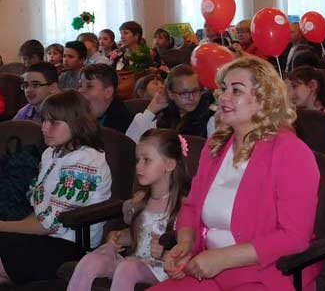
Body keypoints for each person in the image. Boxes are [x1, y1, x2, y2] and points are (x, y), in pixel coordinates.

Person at [154, 56, 320, 290]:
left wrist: (223, 258)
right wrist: (185, 243)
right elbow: (192, 207)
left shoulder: (291, 152)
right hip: (208, 269)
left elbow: (294, 237)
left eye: (236, 90)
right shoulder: (216, 146)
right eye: (224, 89)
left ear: (264, 100)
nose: (224, 97)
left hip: (264, 276)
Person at [0, 91, 112, 285]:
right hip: (45, 238)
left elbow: (49, 224)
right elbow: (39, 211)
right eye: (44, 120)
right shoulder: (51, 153)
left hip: (68, 246)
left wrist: (3, 226)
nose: (44, 128)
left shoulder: (85, 161)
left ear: (76, 123)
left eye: (53, 122)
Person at [67, 129, 190, 291]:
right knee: (91, 261)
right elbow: (138, 235)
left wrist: (166, 253)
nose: (138, 166)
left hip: (160, 269)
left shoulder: (184, 206)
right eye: (137, 160)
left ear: (169, 165)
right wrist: (119, 237)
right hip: (134, 261)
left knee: (127, 267)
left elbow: (188, 248)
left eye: (146, 160)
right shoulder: (139, 201)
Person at [126, 65, 216, 142]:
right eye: (184, 93)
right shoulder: (165, 118)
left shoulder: (211, 118)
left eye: (195, 91)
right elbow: (131, 142)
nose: (191, 98)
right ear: (170, 94)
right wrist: (150, 111)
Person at [79, 64, 134, 134]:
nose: (80, 91)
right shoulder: (82, 114)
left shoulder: (121, 125)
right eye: (80, 85)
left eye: (89, 86)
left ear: (108, 92)